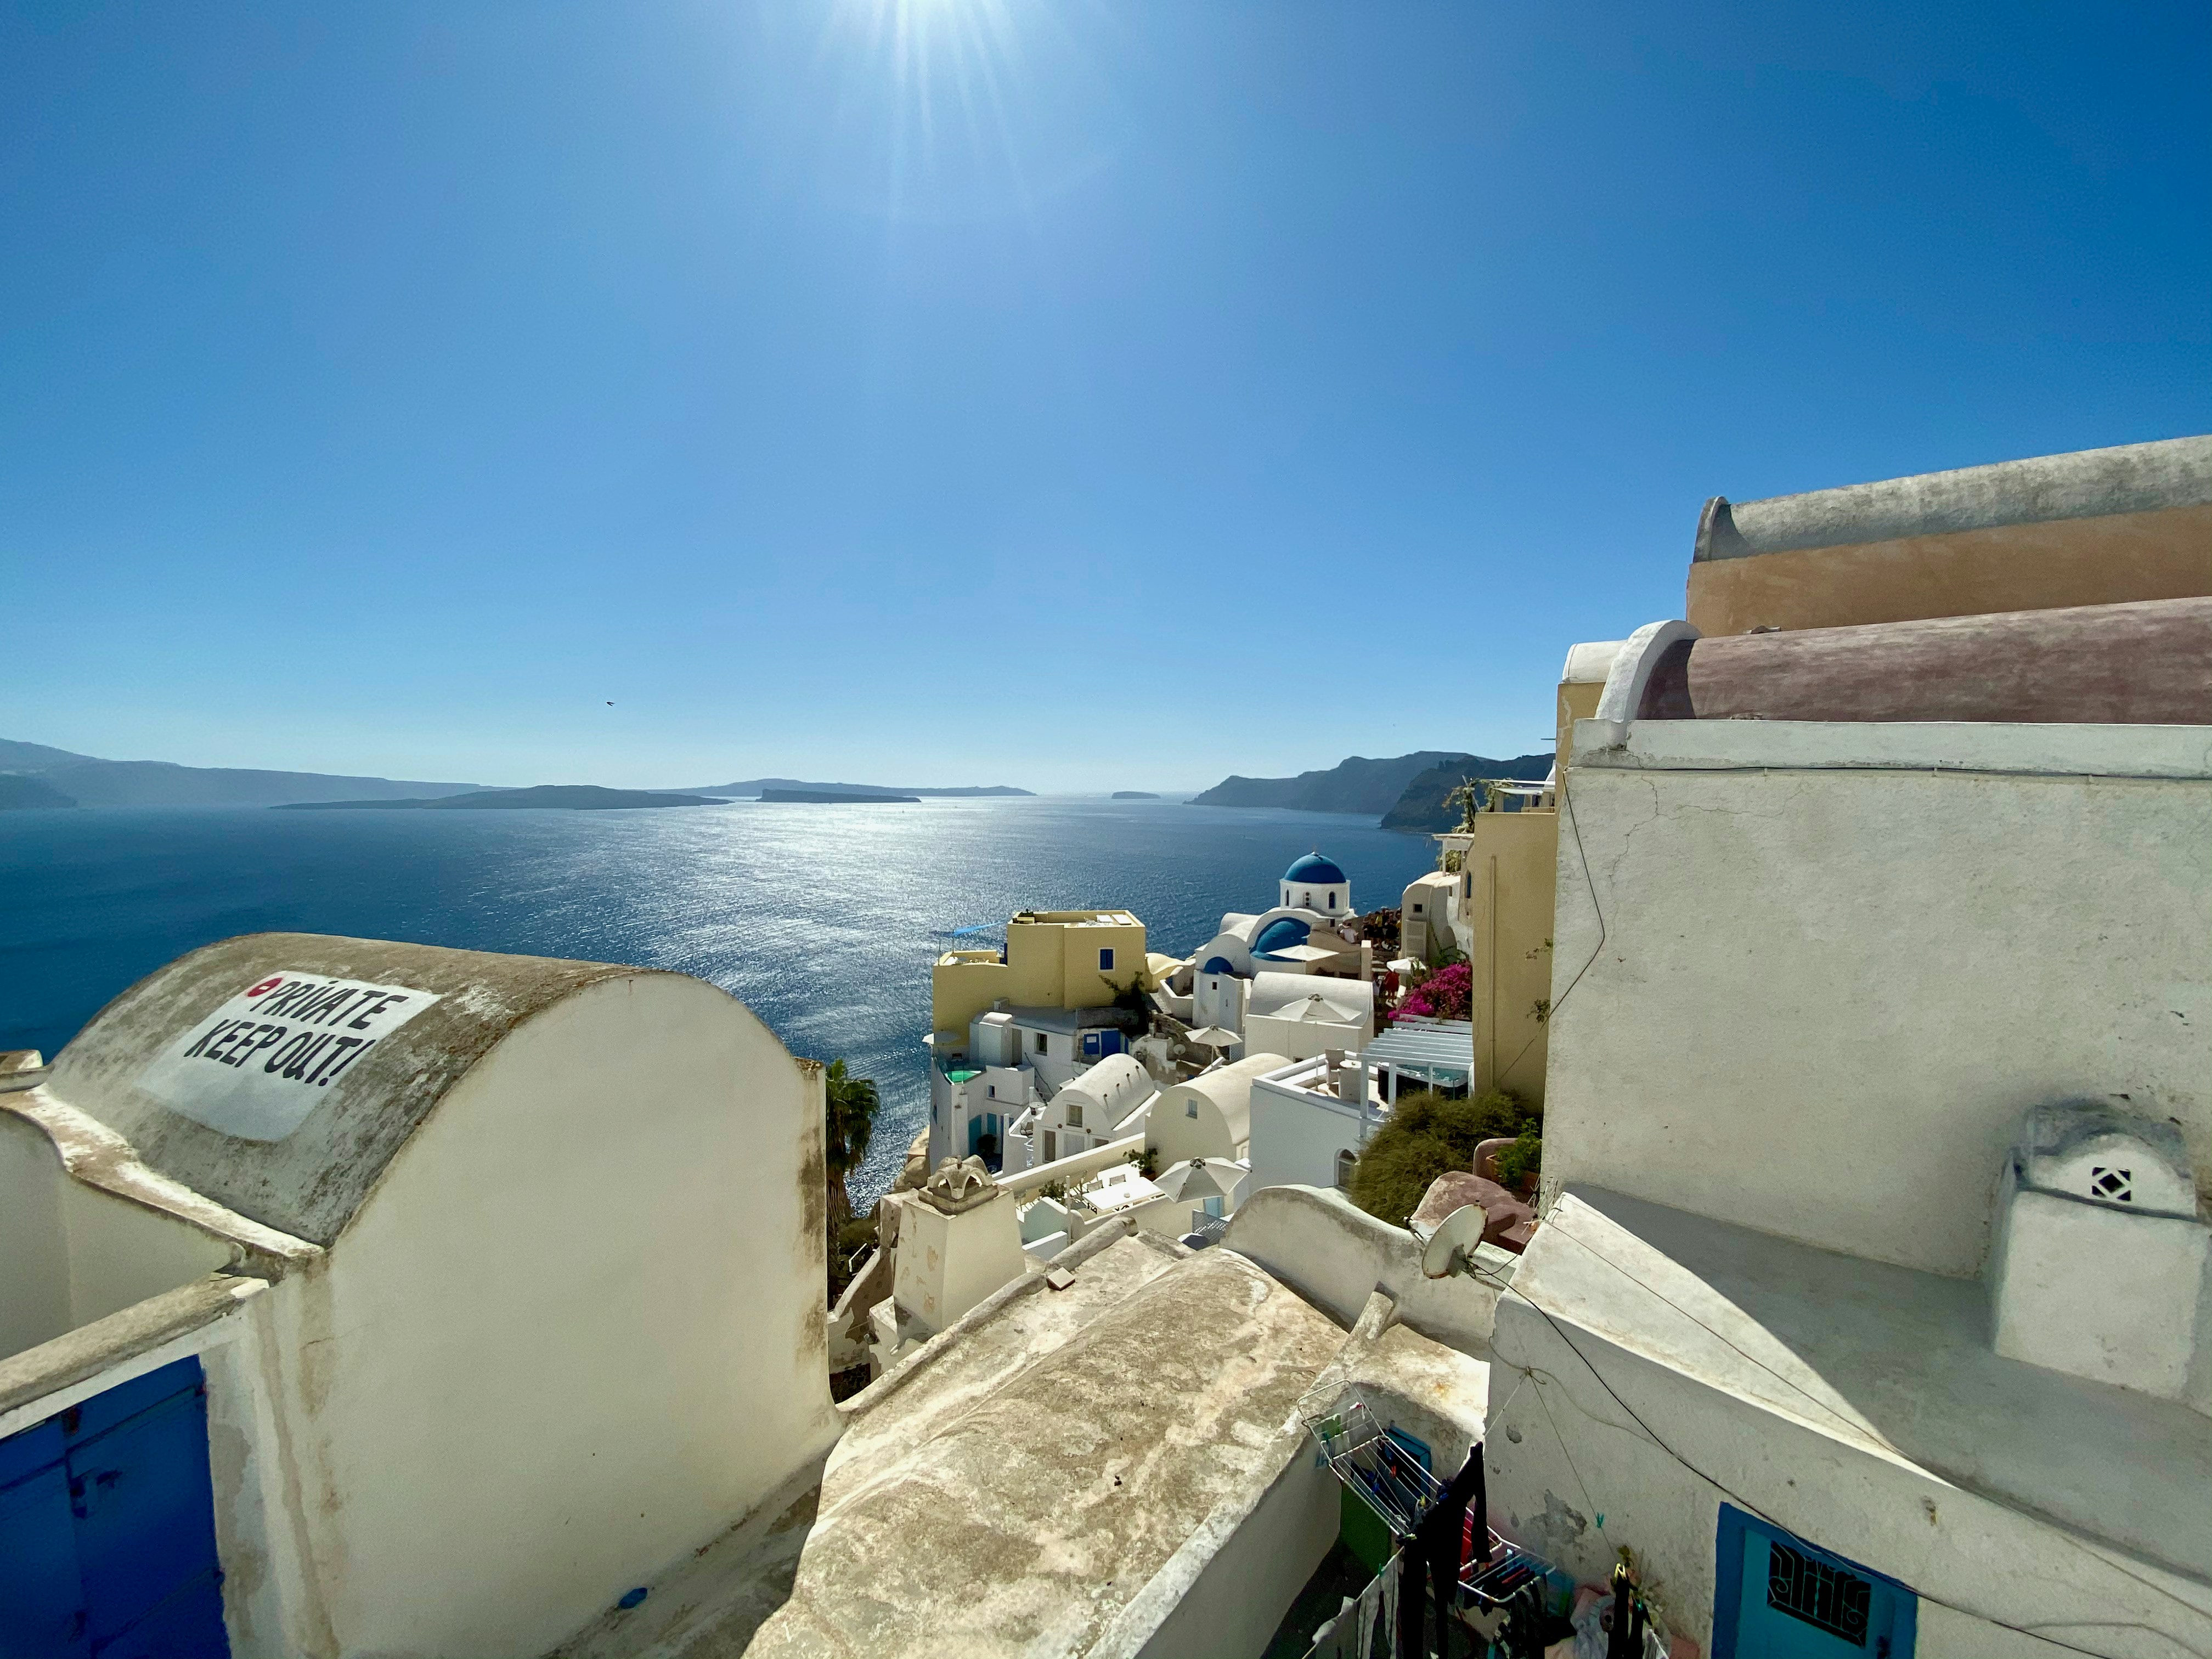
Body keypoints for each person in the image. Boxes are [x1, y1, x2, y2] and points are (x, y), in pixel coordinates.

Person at [1397, 1442, 1487, 1658]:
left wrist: (1410, 1538)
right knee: (1439, 1615)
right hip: (1444, 1556)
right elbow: (1481, 1503)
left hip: (1437, 1552)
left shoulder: (1443, 1506)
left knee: (1421, 1611)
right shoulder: (1469, 1477)